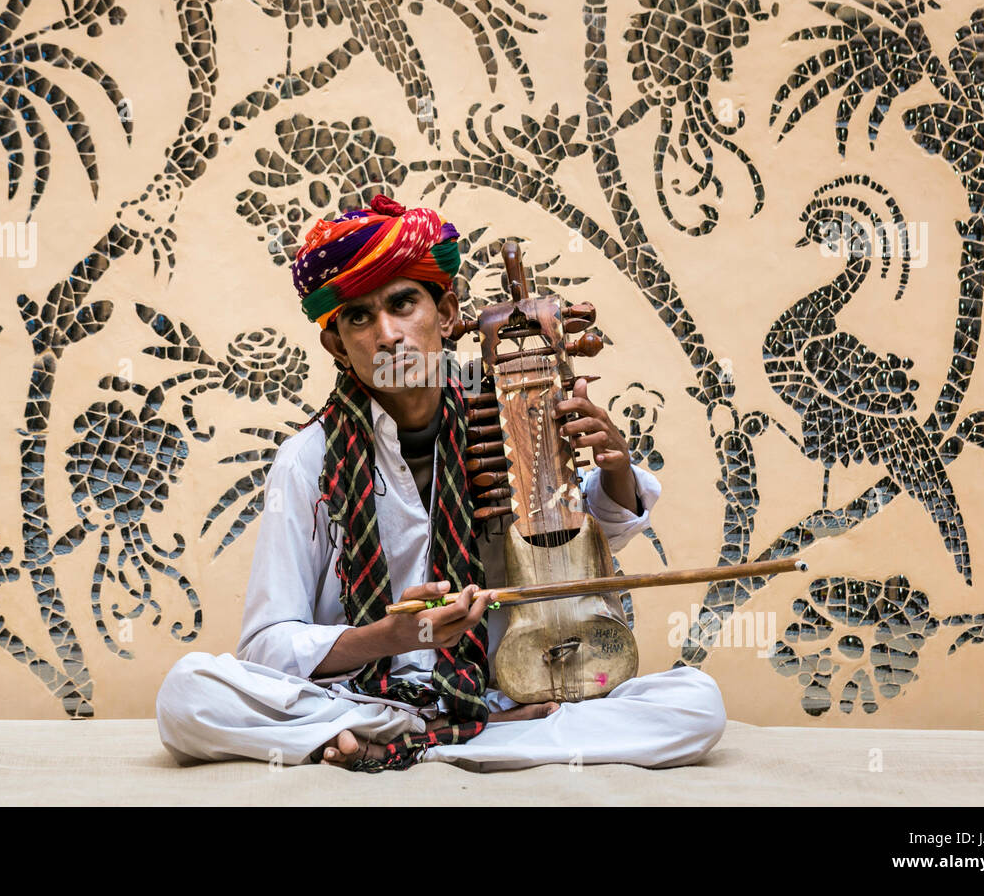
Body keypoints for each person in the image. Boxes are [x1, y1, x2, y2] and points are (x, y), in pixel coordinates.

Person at [155, 193, 725, 771]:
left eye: (404, 302)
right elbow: (267, 648)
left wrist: (616, 468)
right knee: (188, 693)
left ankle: (420, 738)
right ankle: (442, 735)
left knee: (694, 704)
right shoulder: (307, 460)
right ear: (337, 345)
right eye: (358, 316)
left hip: (502, 689)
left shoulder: (502, 416)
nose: (387, 334)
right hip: (357, 697)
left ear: (447, 314)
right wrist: (395, 637)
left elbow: (570, 539)